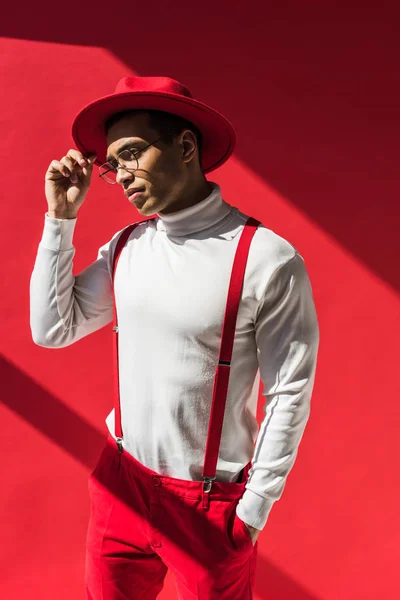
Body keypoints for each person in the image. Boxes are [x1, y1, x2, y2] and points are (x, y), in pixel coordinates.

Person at [30, 76, 320, 599]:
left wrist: (252, 510)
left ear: (186, 146)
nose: (120, 176)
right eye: (112, 164)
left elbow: (289, 392)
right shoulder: (127, 248)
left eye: (132, 154)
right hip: (121, 482)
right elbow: (53, 329)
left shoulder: (266, 258)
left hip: (208, 505)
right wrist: (61, 218)